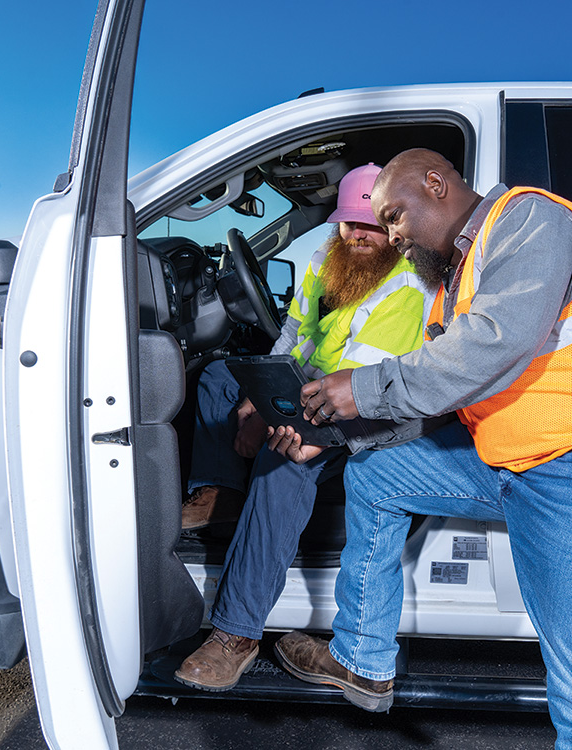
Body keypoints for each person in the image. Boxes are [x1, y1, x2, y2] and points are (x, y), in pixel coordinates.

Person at [270, 149, 572, 749]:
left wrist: (360, 389)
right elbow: (443, 400)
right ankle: (364, 660)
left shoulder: (529, 221)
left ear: (437, 185)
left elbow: (493, 346)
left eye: (394, 215)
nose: (391, 234)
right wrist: (328, 435)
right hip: (518, 458)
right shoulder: (454, 281)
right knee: (378, 474)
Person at [175, 163, 431, 692]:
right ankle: (219, 494)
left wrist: (275, 421)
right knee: (220, 376)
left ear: (392, 224)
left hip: (366, 413)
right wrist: (254, 395)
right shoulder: (326, 259)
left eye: (371, 225)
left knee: (282, 459)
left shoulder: (406, 284)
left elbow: (358, 390)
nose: (357, 235)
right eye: (348, 223)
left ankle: (235, 634)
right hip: (314, 388)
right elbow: (293, 336)